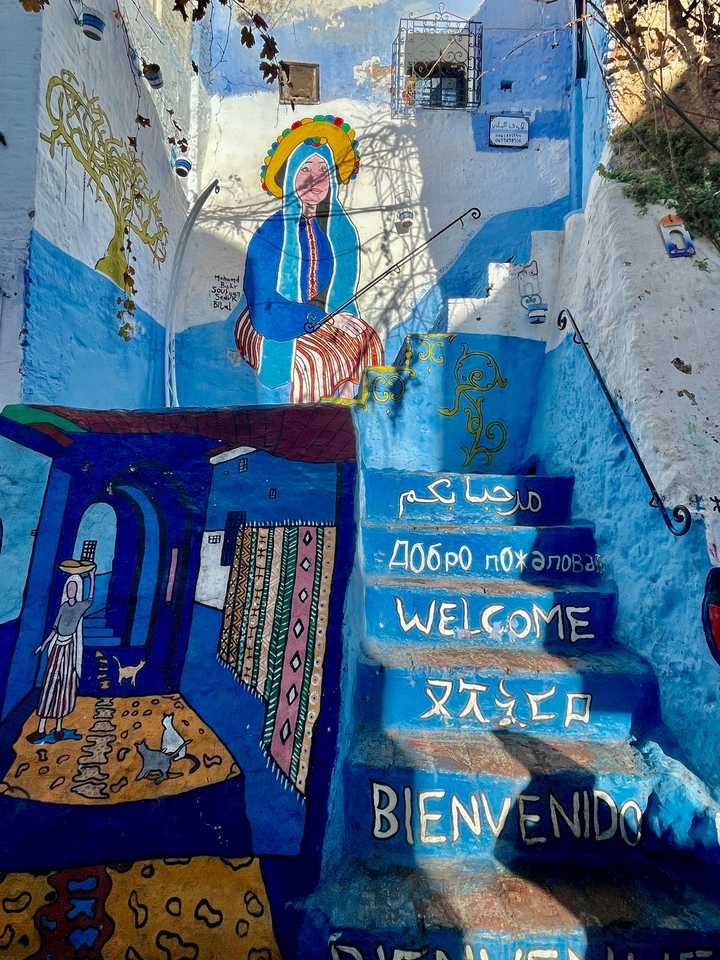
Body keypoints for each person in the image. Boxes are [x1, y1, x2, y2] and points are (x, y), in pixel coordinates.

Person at [233, 115, 383, 403]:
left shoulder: (339, 230)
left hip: (323, 318)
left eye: (323, 169)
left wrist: (341, 319)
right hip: (269, 319)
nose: (316, 179)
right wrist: (319, 319)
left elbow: (344, 293)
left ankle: (347, 411)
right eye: (305, 169)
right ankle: (313, 426)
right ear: (290, 176)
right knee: (312, 361)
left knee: (365, 340)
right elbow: (263, 301)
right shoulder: (272, 232)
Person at [28, 568, 95, 744]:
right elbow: (55, 629)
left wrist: (91, 577)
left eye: (73, 588)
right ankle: (41, 728)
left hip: (69, 649)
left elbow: (91, 599)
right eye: (69, 587)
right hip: (57, 647)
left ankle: (58, 727)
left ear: (77, 590)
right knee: (50, 683)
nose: (70, 590)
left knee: (65, 685)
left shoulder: (80, 606)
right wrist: (44, 644)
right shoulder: (64, 607)